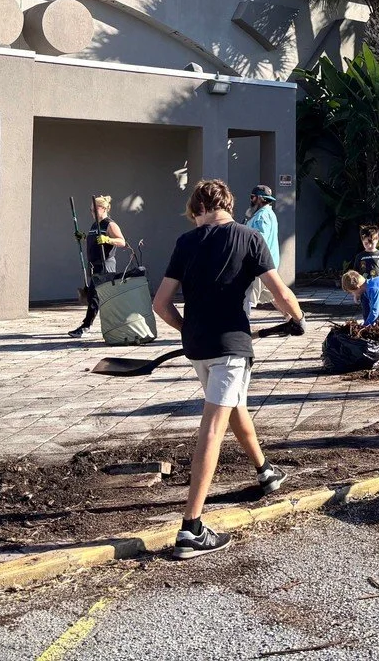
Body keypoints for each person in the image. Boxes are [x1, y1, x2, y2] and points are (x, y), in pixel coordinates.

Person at [150, 179, 306, 559]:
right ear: (229, 204)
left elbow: (160, 304)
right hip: (231, 348)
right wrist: (298, 318)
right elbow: (279, 292)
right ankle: (191, 528)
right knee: (213, 427)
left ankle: (265, 471)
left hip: (198, 349)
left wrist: (188, 329)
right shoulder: (249, 238)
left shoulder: (185, 242)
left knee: (234, 407)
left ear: (198, 208)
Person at [68, 195, 128, 338]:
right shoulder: (95, 225)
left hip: (105, 265)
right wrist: (82, 237)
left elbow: (122, 241)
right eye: (91, 210)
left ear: (104, 208)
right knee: (95, 297)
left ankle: (86, 326)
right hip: (94, 265)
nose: (92, 213)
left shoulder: (110, 224)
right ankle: (113, 325)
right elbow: (93, 241)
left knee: (95, 296)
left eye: (94, 210)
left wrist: (108, 238)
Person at [245, 184, 297, 314]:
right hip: (268, 263)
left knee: (247, 297)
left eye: (252, 197)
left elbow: (259, 239)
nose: (250, 200)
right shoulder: (267, 214)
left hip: (259, 264)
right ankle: (292, 319)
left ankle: (242, 327)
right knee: (274, 296)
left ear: (260, 199)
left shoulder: (262, 216)